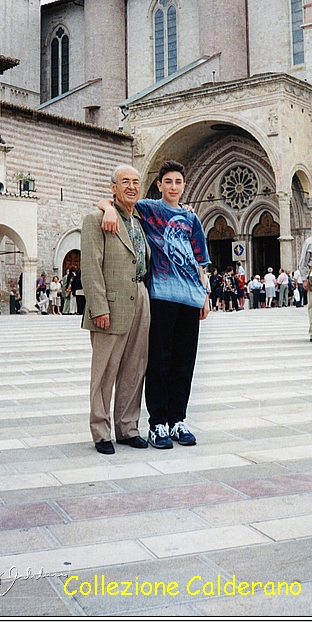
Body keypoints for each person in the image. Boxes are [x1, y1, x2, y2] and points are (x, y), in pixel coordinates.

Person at [99, 159, 210, 449]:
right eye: (168, 182)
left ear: (185, 186)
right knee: (159, 362)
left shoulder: (191, 219)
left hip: (189, 299)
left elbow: (200, 260)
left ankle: (178, 420)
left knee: (184, 363)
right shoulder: (148, 209)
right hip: (161, 297)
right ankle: (158, 423)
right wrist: (108, 208)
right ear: (159, 185)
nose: (174, 187)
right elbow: (112, 199)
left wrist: (205, 295)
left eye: (179, 182)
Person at [82, 164, 151, 455]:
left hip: (140, 297)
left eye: (136, 182)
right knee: (105, 373)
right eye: (125, 182)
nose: (132, 187)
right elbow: (90, 267)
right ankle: (101, 431)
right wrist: (98, 307)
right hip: (110, 303)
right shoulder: (96, 219)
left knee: (135, 369)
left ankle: (128, 428)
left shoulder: (140, 220)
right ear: (113, 188)